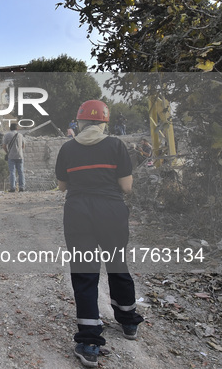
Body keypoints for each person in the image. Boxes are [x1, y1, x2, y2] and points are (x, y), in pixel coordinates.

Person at [55, 100, 144, 368]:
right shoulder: (116, 146)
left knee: (84, 273)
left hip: (78, 210)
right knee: (117, 264)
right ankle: (128, 321)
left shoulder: (68, 148)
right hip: (112, 211)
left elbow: (61, 186)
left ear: (79, 122)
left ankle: (89, 342)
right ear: (105, 122)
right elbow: (126, 187)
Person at [3, 123, 25, 192]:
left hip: (11, 156)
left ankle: (13, 188)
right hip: (20, 156)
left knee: (12, 172)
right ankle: (22, 187)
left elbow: (4, 146)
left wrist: (7, 152)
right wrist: (20, 151)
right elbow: (23, 145)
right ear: (17, 128)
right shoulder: (20, 135)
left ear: (10, 128)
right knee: (21, 172)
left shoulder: (7, 135)